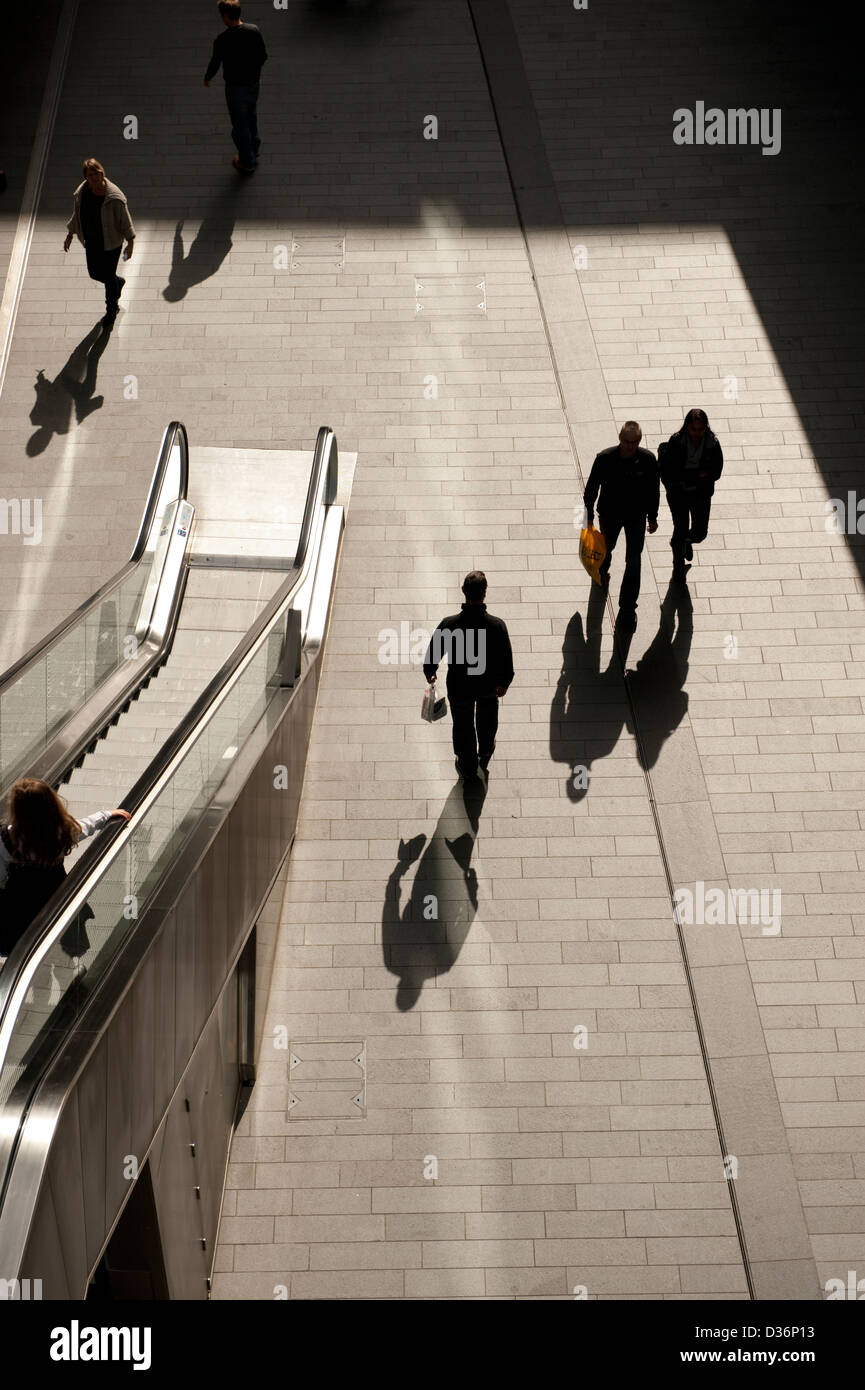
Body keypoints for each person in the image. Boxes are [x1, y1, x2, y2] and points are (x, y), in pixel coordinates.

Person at [0, 780, 130, 965]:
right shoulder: (60, 833)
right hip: (55, 902)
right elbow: (84, 827)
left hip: (21, 910)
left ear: (16, 809)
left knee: (26, 948)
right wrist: (106, 815)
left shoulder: (5, 840)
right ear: (51, 804)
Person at [423, 571, 514, 780]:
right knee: (487, 719)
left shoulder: (450, 624)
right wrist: (504, 682)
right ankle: (486, 749)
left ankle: (467, 763)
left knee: (463, 724)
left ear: (463, 591)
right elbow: (505, 659)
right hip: (488, 685)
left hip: (459, 685)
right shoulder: (497, 625)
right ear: (485, 593)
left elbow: (433, 653)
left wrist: (430, 671)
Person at [583, 421, 659, 632]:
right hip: (610, 515)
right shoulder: (605, 458)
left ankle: (627, 609)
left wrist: (652, 517)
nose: (630, 446)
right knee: (607, 547)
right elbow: (591, 488)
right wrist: (588, 516)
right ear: (620, 438)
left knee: (634, 561)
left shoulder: (648, 460)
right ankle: (602, 568)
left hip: (636, 516)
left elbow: (654, 491)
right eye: (627, 441)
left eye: (634, 442)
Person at [63, 159, 136, 325]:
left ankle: (111, 309)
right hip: (91, 241)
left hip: (111, 244)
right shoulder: (82, 193)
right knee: (94, 273)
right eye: (91, 174)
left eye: (97, 173)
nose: (95, 177)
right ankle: (118, 282)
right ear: (86, 177)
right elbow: (78, 215)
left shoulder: (114, 197)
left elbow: (125, 221)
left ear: (102, 173)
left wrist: (130, 244)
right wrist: (70, 234)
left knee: (108, 278)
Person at [659, 408, 724, 583]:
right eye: (694, 429)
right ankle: (678, 566)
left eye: (700, 429)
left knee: (700, 533)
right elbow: (670, 470)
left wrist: (692, 475)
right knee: (679, 530)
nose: (697, 433)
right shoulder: (677, 441)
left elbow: (716, 472)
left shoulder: (712, 443)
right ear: (687, 427)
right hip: (678, 494)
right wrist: (697, 474)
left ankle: (686, 541)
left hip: (701, 494)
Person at [204, 1, 268, 173]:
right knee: (251, 116)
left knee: (240, 125)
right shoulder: (253, 31)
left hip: (235, 88)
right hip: (253, 85)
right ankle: (254, 148)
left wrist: (207, 77)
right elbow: (263, 56)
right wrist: (254, 73)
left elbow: (215, 63)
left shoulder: (223, 40)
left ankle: (247, 161)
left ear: (225, 16)